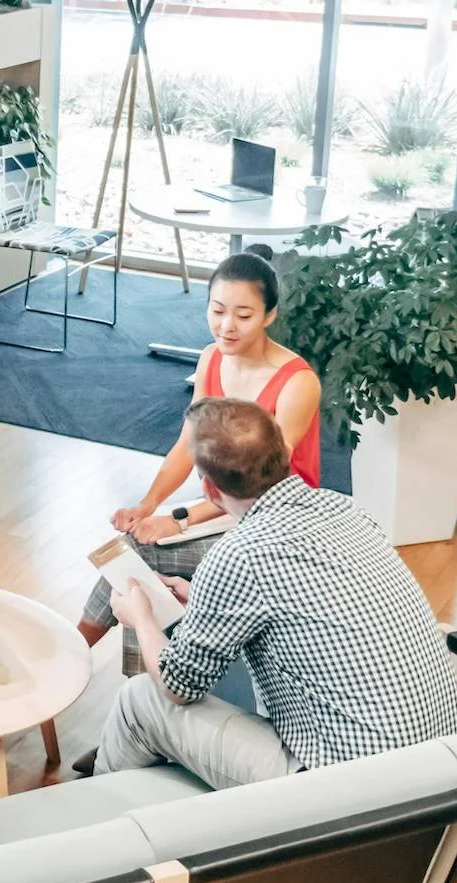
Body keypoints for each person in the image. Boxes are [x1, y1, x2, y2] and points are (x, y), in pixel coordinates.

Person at [94, 398, 457, 788]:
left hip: (355, 792)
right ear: (285, 455)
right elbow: (310, 607)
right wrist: (202, 599)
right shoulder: (346, 510)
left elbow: (178, 687)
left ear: (210, 491)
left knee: (139, 701)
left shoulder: (239, 554)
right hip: (453, 767)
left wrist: (140, 617)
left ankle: (101, 832)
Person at [79, 247, 322, 672]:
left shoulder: (297, 382)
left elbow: (257, 485)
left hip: (273, 525)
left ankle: (84, 660)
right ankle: (106, 671)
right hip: (227, 511)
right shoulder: (211, 357)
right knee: (138, 542)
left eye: (244, 315)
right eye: (218, 310)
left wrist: (178, 521)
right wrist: (147, 505)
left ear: (269, 316)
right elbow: (186, 446)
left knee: (141, 552)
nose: (227, 326)